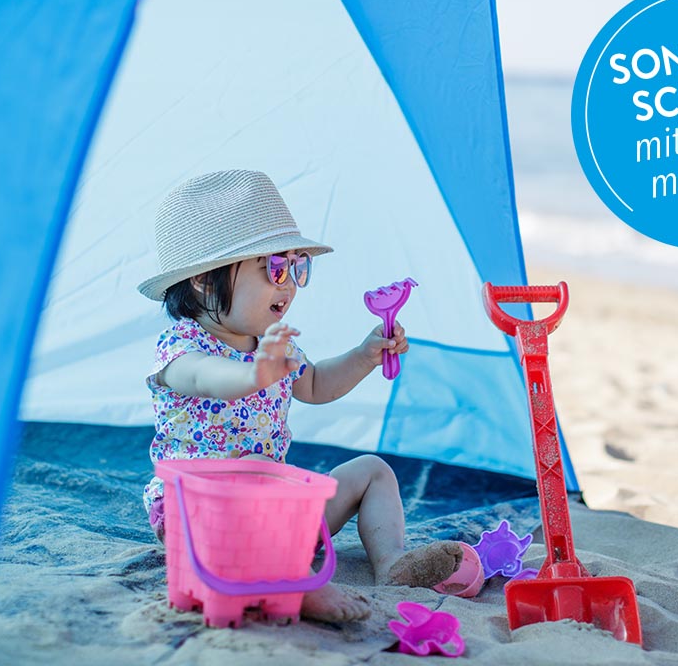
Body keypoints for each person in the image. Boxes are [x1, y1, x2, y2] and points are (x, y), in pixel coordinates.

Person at [137, 169, 477, 623]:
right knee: (256, 472)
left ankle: (392, 561)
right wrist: (255, 374)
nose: (290, 283)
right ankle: (298, 584)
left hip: (278, 515)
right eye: (274, 268)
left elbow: (315, 384)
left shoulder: (274, 344)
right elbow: (205, 378)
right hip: (200, 519)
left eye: (298, 267)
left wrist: (363, 355)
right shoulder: (182, 347)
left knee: (372, 471)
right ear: (203, 280)